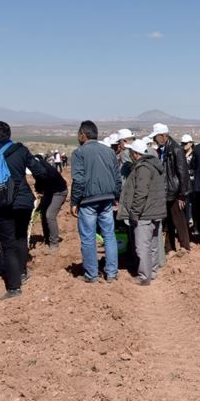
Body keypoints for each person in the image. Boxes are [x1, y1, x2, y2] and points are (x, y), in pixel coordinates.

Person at [0, 121, 49, 299]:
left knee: (7, 244)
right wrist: (40, 188)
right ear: (9, 134)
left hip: (1, 204)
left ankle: (14, 287)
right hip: (24, 201)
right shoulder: (21, 150)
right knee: (20, 237)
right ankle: (22, 272)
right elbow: (40, 171)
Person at [70, 120, 122, 283]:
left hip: (88, 201)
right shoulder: (109, 152)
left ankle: (92, 275)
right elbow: (117, 178)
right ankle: (112, 273)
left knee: (88, 237)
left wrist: (74, 201)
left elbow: (78, 180)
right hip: (107, 199)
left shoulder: (79, 153)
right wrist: (116, 196)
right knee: (109, 235)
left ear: (83, 135)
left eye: (78, 134)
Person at [118, 139, 166, 285]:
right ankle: (152, 271)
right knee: (152, 244)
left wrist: (134, 213)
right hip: (156, 211)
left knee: (142, 246)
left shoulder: (143, 168)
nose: (130, 155)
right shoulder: (154, 166)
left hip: (145, 213)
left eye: (131, 152)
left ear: (136, 154)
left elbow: (141, 193)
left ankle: (145, 276)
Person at [151, 123, 191, 253]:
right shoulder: (163, 149)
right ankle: (169, 247)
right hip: (166, 191)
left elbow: (183, 173)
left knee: (179, 220)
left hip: (175, 192)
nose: (154, 140)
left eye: (156, 137)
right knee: (168, 221)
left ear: (163, 136)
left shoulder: (176, 150)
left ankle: (185, 247)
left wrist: (182, 195)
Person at [32, 153, 68, 254]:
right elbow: (39, 182)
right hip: (49, 192)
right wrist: (38, 191)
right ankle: (47, 238)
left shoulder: (49, 171)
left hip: (59, 192)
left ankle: (54, 243)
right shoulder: (37, 169)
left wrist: (41, 193)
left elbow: (48, 184)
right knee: (43, 213)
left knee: (49, 215)